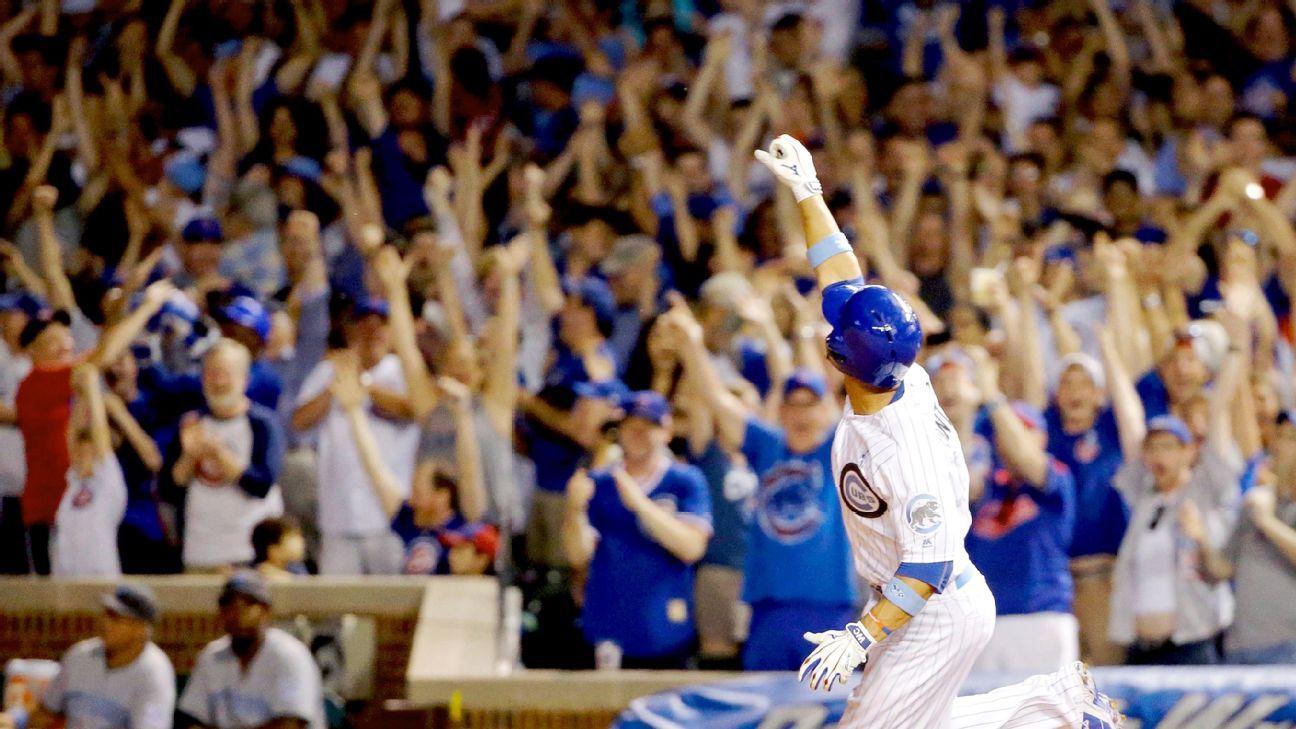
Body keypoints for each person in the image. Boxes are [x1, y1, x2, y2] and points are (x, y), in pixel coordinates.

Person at [754, 135, 1120, 727]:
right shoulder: (900, 371)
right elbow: (842, 276)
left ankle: (1051, 707)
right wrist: (808, 192)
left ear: (839, 357)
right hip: (916, 596)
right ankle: (1055, 706)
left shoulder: (902, 450)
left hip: (932, 602)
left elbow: (928, 566)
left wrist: (860, 637)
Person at [562, 391, 713, 669]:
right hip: (610, 628)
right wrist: (574, 511)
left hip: (667, 631)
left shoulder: (685, 480)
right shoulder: (599, 483)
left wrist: (640, 505)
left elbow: (692, 547)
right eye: (632, 426)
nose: (639, 434)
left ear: (666, 431)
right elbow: (577, 555)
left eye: (650, 426)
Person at [1108, 415, 1240, 665]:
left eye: (1168, 446)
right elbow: (1129, 426)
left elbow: (1221, 569)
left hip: (1193, 644)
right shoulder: (1144, 501)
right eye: (1152, 447)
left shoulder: (1207, 496)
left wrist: (1201, 536)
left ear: (1188, 452)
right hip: (1141, 647)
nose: (1158, 456)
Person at [169, 339, 285, 572]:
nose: (218, 381)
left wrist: (219, 453)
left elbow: (261, 485)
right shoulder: (191, 423)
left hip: (247, 553)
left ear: (244, 379)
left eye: (225, 373)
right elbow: (171, 487)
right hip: (200, 552)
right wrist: (191, 455)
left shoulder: (263, 424)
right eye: (211, 373)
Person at [1191, 410, 1296, 664]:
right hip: (1240, 646)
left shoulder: (1261, 509)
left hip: (1288, 646)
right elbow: (1223, 569)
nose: (1281, 445)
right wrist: (1201, 538)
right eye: (1279, 436)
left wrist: (1267, 522)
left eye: (1291, 438)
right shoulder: (1256, 502)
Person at [178, 571, 325, 729]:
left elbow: (290, 724)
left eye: (248, 606)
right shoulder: (211, 656)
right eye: (230, 607)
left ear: (266, 612)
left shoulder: (290, 655)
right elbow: (191, 720)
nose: (238, 615)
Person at [21, 584, 175, 729]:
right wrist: (15, 721)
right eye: (106, 615)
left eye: (115, 618)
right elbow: (45, 713)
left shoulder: (155, 672)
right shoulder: (79, 656)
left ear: (140, 629)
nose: (105, 623)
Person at [52, 365, 127, 577]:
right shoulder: (74, 482)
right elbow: (73, 434)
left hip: (99, 579)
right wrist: (81, 395)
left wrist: (93, 387)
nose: (81, 454)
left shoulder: (108, 482)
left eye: (89, 449)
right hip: (67, 579)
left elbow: (100, 432)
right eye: (80, 449)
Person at [251, 516, 308, 581]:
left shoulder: (296, 568)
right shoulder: (251, 575)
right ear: (273, 550)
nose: (301, 543)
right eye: (293, 538)